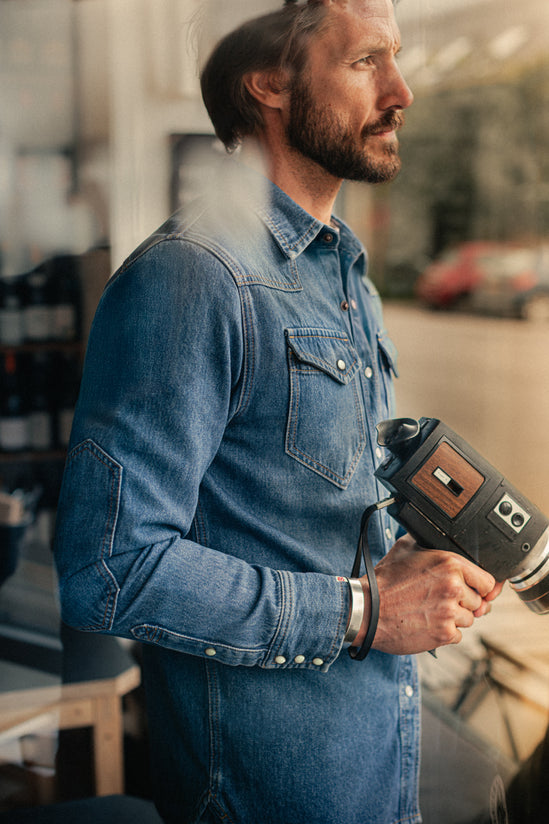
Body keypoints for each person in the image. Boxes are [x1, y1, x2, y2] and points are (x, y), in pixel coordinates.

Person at [53, 1, 502, 822]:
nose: (401, 90)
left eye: (394, 59)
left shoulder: (345, 278)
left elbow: (304, 513)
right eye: (366, 62)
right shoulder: (193, 277)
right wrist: (367, 610)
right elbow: (108, 571)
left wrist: (410, 560)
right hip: (266, 793)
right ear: (267, 80)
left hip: (370, 759)